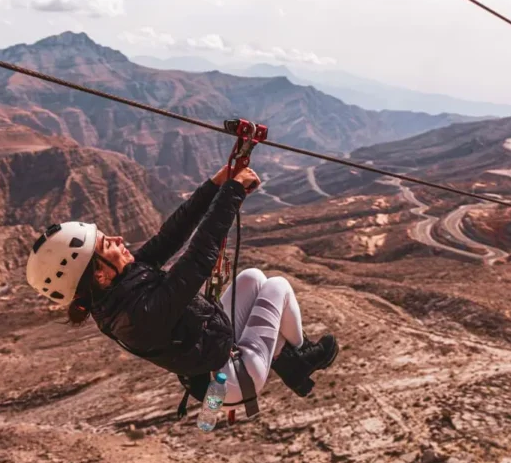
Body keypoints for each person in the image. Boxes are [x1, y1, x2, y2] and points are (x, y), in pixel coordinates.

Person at [25, 164, 339, 412]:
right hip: (230, 382)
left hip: (216, 360)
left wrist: (216, 184)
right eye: (107, 245)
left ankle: (287, 361)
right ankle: (302, 358)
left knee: (253, 279)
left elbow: (171, 236)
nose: (119, 241)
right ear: (100, 276)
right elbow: (197, 259)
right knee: (278, 287)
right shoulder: (137, 315)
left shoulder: (118, 290)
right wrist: (232, 193)